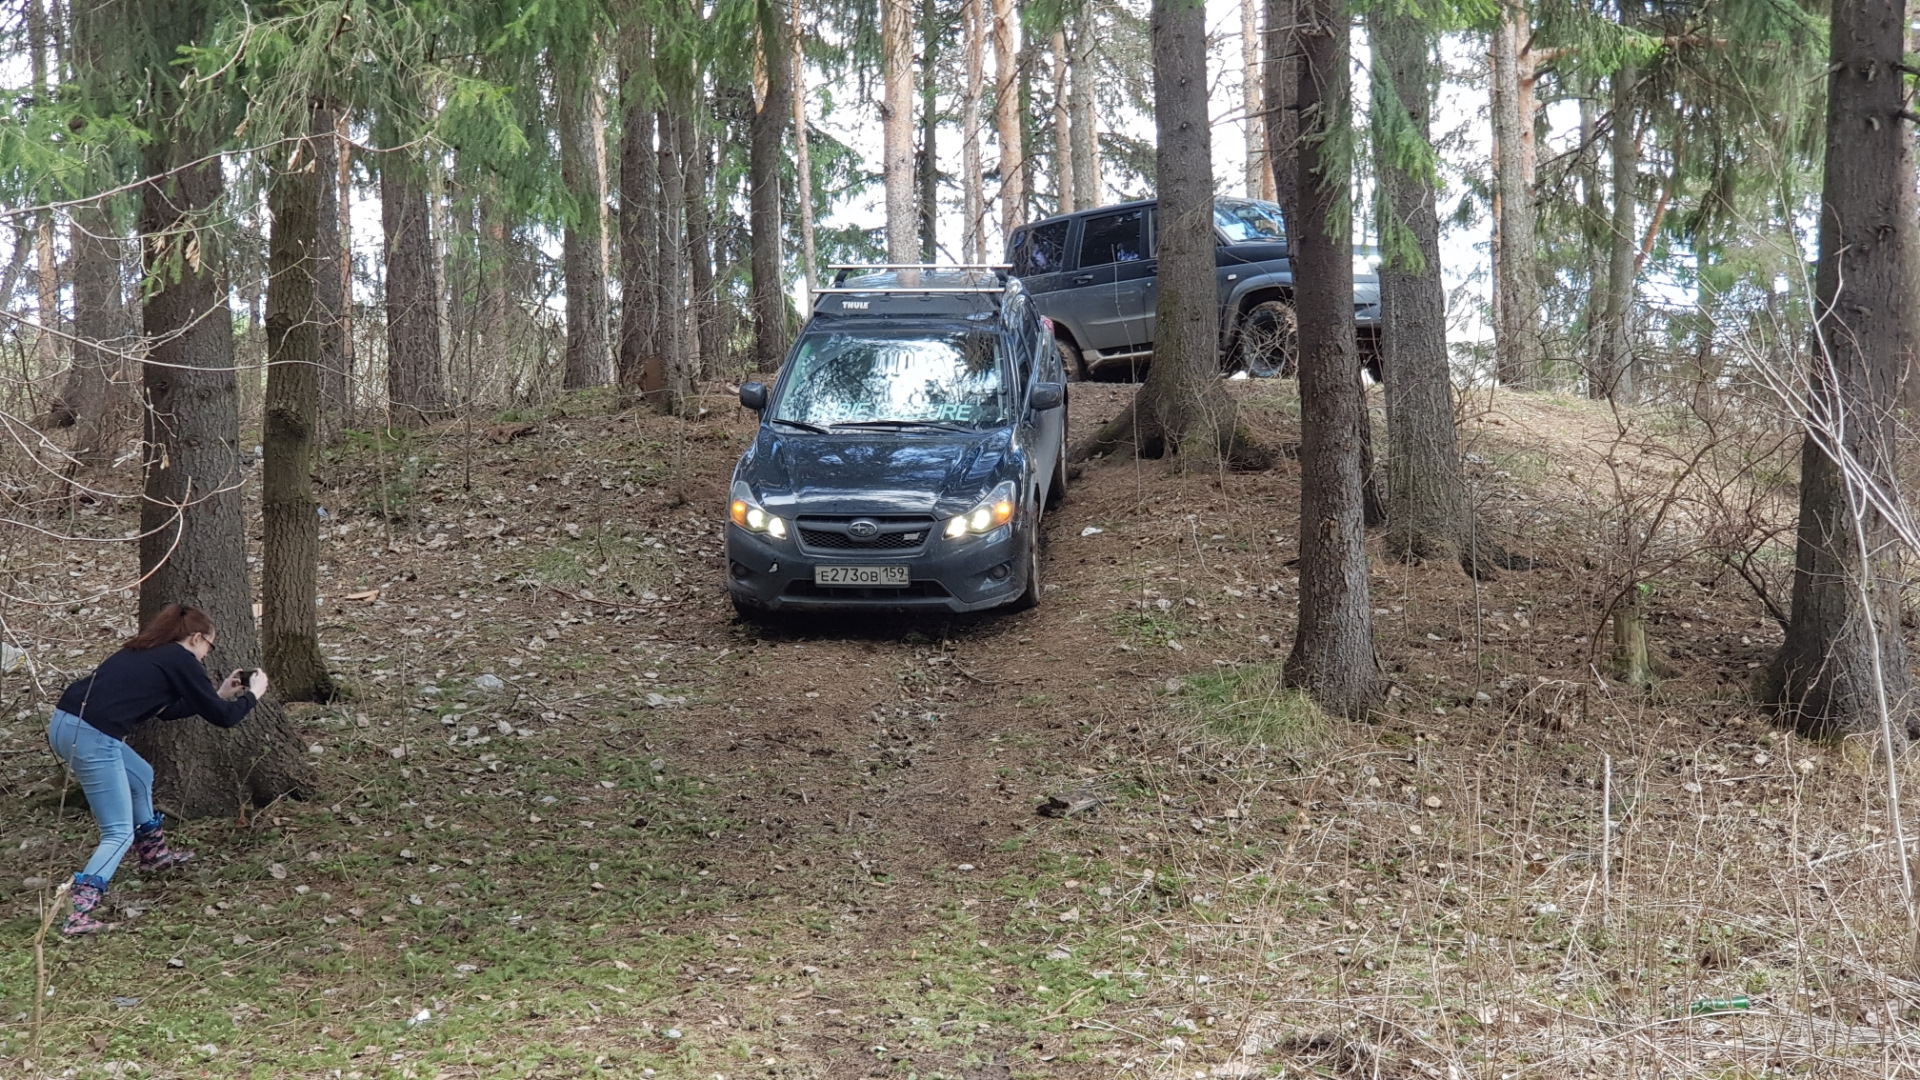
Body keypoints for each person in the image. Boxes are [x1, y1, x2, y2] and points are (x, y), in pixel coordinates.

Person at [46, 604, 269, 936]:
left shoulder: (143, 651)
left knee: (141, 775)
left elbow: (167, 711)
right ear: (195, 638)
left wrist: (221, 694)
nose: (207, 654)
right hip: (94, 737)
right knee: (117, 833)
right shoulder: (182, 659)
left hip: (65, 724)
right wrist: (254, 695)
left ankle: (154, 855)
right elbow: (225, 718)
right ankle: (78, 911)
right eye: (210, 645)